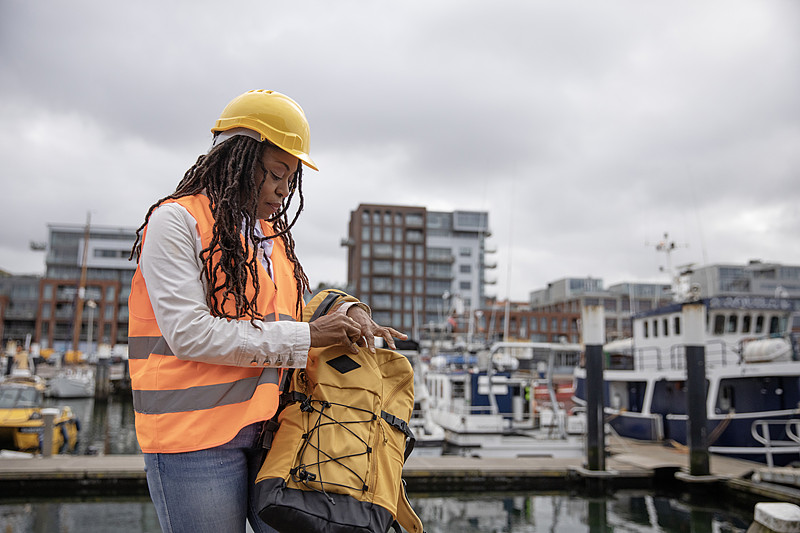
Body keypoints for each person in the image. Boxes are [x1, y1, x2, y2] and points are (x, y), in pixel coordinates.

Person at [128, 89, 406, 533]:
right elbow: (191, 334)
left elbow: (295, 318)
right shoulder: (175, 221)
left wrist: (347, 310)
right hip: (192, 441)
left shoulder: (270, 238)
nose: (283, 189)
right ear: (236, 159)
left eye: (291, 178)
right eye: (276, 173)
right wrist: (310, 336)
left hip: (272, 433)